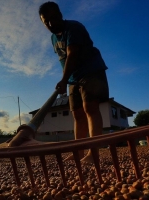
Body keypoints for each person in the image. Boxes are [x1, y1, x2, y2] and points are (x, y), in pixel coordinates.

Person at [39, 2, 109, 163]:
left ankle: (93, 153)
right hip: (73, 78)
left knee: (90, 108)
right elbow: (63, 59)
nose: (50, 24)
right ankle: (78, 152)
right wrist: (67, 80)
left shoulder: (74, 27)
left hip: (91, 71)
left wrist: (63, 80)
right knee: (77, 113)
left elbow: (72, 54)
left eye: (53, 18)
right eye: (46, 22)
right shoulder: (53, 37)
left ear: (60, 15)